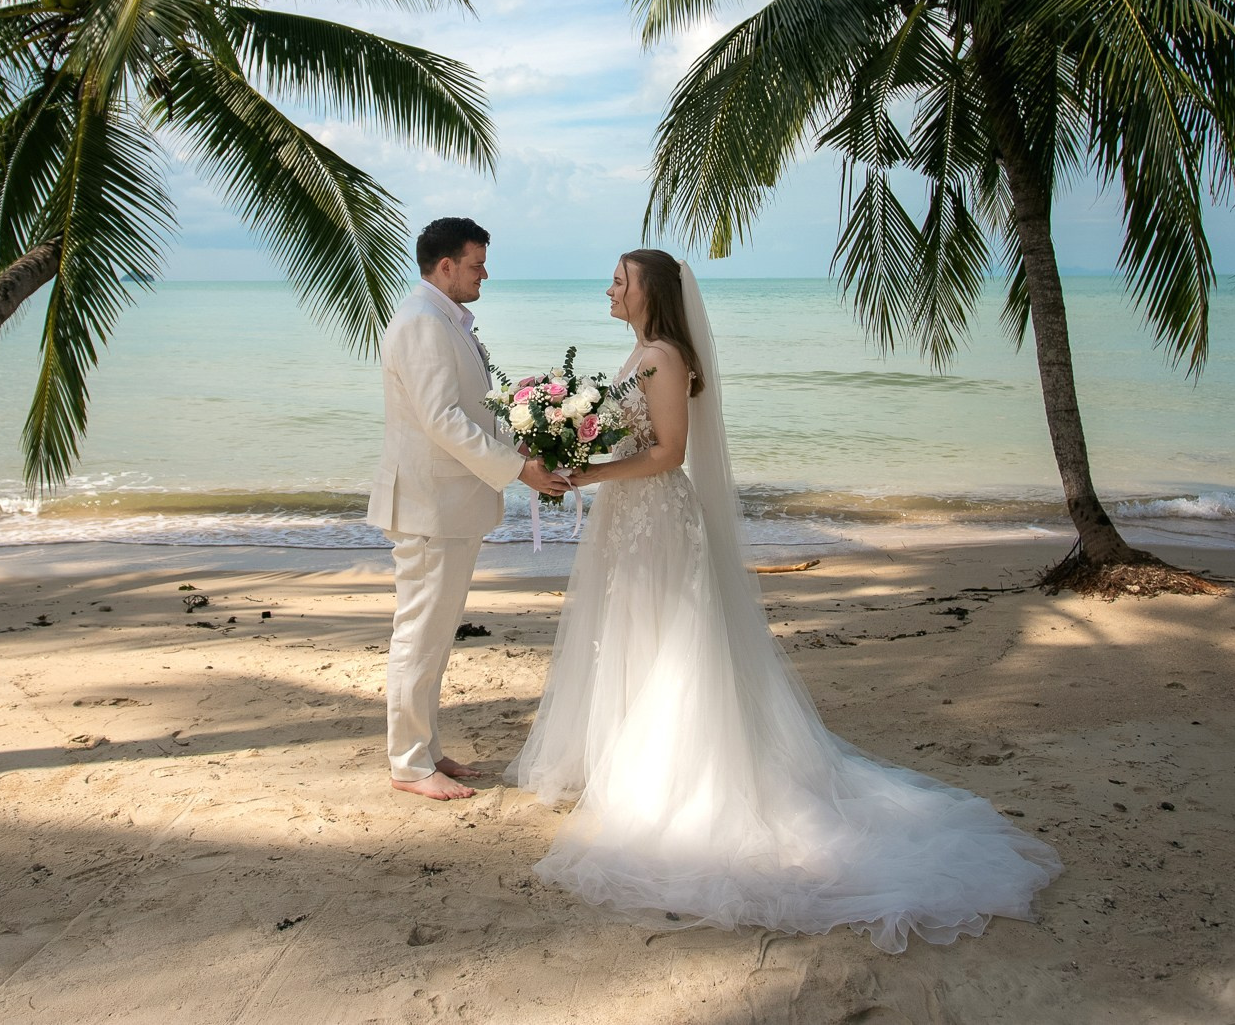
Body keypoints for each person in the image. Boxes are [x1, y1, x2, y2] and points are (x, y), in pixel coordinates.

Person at [507, 248, 1062, 950]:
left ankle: (665, 777)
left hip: (656, 517)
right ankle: (625, 758)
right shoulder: (641, 354)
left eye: (621, 278)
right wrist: (573, 446)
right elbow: (631, 432)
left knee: (670, 644)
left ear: (650, 291)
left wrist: (588, 474)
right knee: (631, 635)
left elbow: (671, 453)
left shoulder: (664, 357)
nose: (610, 287)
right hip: (630, 518)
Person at [371, 217, 569, 800]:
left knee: (434, 634)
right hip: (430, 507)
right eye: (477, 263)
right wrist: (517, 471)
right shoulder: (423, 323)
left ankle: (426, 749)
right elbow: (441, 420)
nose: (486, 273)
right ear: (446, 266)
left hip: (449, 505)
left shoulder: (444, 321)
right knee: (420, 634)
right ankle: (408, 764)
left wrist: (520, 443)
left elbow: (470, 412)